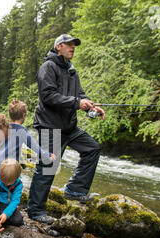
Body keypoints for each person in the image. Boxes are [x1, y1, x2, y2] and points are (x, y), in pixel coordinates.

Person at [27, 34, 106, 225]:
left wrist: (91, 107)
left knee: (92, 148)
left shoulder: (71, 70)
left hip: (69, 126)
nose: (72, 48)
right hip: (49, 124)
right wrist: (77, 103)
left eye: (74, 45)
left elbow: (79, 94)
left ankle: (75, 190)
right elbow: (48, 96)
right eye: (69, 45)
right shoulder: (48, 67)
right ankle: (35, 210)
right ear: (58, 47)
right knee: (48, 167)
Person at [0, 99, 55, 172]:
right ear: (24, 115)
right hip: (10, 166)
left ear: (9, 115)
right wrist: (48, 155)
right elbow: (34, 146)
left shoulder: (4, 127)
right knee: (12, 183)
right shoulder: (22, 131)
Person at [0, 158, 24, 227]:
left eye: (9, 183)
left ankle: (2, 220)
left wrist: (6, 214)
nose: (6, 184)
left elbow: (15, 201)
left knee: (19, 220)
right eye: (4, 181)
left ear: (16, 178)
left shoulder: (18, 184)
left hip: (8, 205)